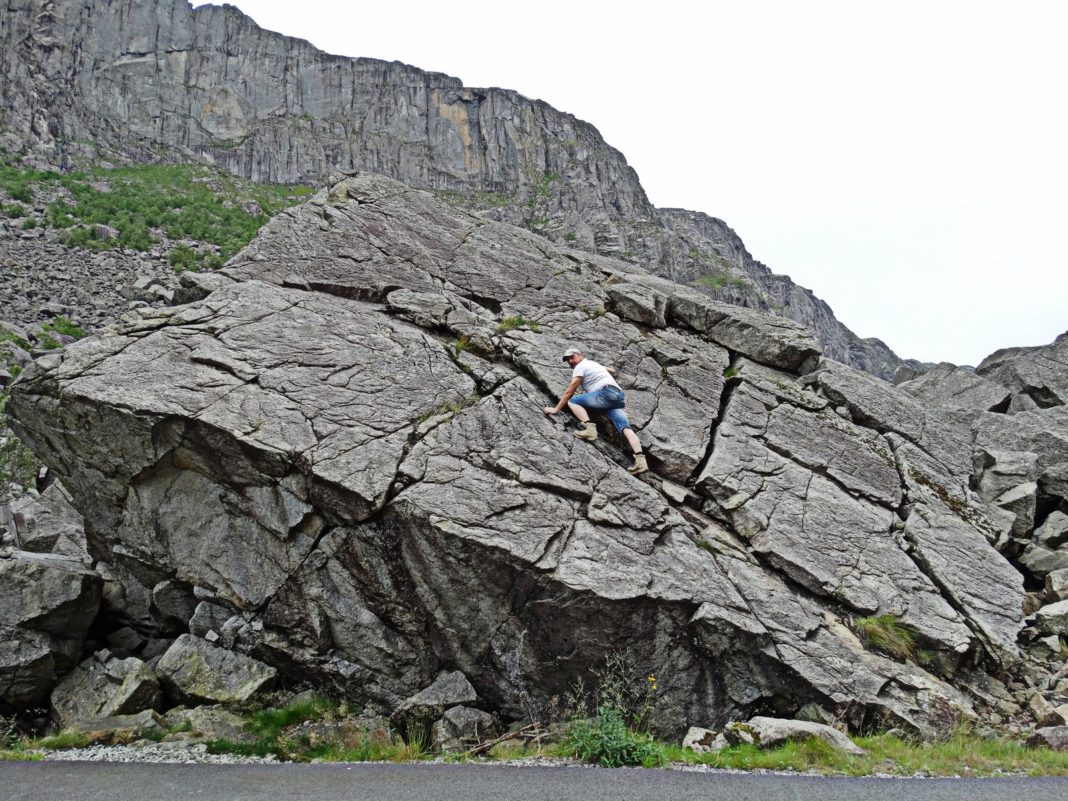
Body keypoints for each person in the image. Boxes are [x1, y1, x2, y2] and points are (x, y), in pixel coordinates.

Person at [543, 347, 648, 475]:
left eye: (572, 357)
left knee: (572, 401)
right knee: (625, 428)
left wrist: (556, 409)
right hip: (618, 398)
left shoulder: (580, 366)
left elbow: (570, 391)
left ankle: (590, 429)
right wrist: (604, 369)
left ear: (580, 355)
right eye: (567, 360)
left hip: (606, 393)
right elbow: (611, 370)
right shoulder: (592, 364)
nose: (570, 361)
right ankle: (641, 461)